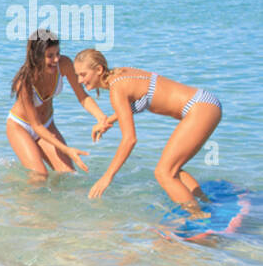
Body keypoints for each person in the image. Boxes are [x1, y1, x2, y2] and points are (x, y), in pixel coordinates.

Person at [73, 48, 223, 210]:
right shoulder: (120, 74)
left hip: (199, 109)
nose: (80, 81)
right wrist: (108, 121)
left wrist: (107, 177)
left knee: (164, 173)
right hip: (204, 103)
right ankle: (205, 205)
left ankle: (198, 217)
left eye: (83, 74)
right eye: (77, 76)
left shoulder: (117, 90)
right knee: (173, 168)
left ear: (99, 70)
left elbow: (130, 139)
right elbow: (135, 103)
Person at [5, 28, 106, 177]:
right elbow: (36, 126)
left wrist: (101, 117)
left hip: (47, 124)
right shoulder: (25, 82)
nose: (56, 59)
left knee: (68, 174)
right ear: (37, 57)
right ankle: (13, 195)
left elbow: (82, 96)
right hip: (21, 126)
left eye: (57, 53)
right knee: (40, 176)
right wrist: (67, 149)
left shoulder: (64, 64)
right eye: (50, 56)